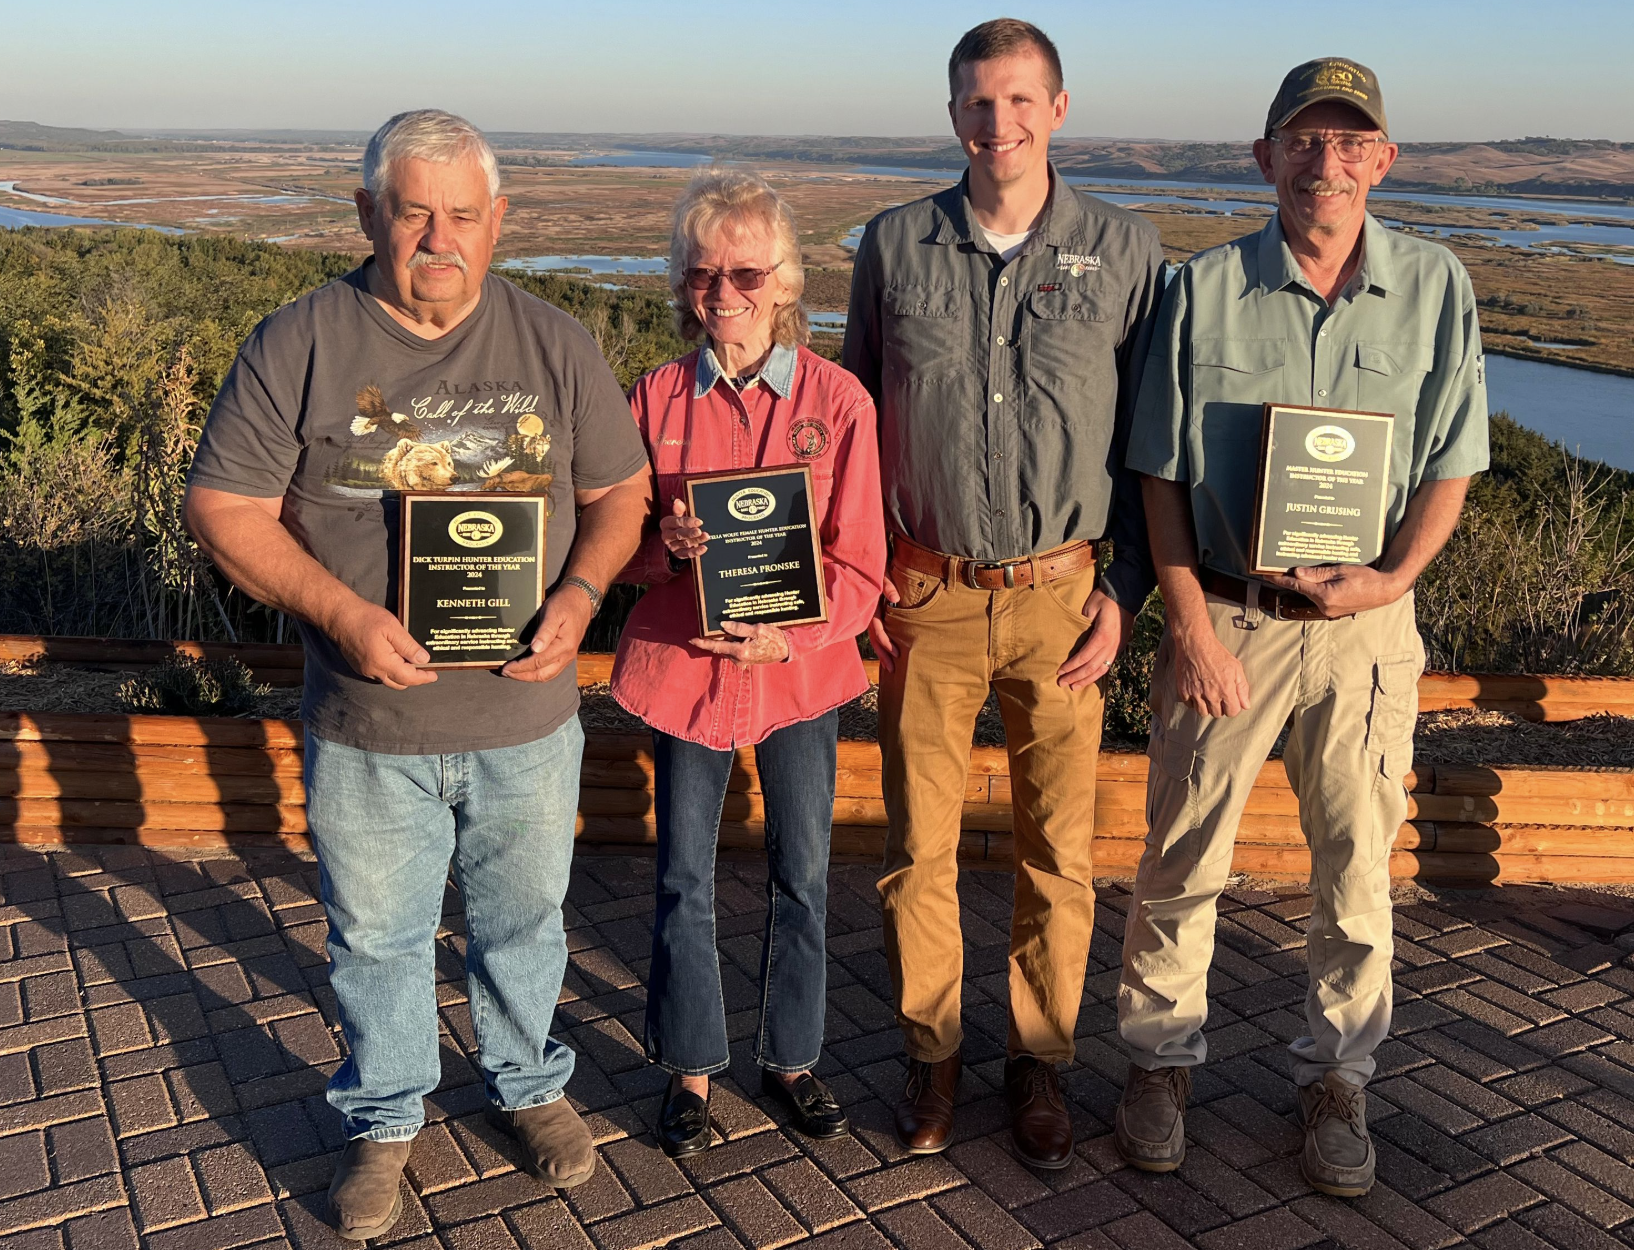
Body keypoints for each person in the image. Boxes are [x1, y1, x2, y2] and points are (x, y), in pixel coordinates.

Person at [183, 109, 651, 1240]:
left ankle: (528, 1086)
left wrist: (582, 597)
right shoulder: (298, 341)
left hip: (525, 715)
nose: (437, 237)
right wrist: (339, 610)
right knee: (377, 936)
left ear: (497, 223)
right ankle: (386, 1115)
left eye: (461, 215)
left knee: (524, 922)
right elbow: (221, 506)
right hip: (364, 724)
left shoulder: (554, 341)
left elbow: (617, 495)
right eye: (412, 211)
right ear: (367, 215)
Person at [1114, 59, 1488, 1198]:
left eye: (1348, 141)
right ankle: (1156, 1060)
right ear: (1264, 156)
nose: (1325, 161)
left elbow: (1450, 465)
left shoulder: (1436, 286)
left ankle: (1338, 1076)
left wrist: (1392, 578)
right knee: (1181, 856)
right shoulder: (1204, 289)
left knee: (1356, 870)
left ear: (1381, 158)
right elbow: (1158, 476)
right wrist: (1186, 624)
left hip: (1368, 635)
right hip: (1230, 616)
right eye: (1302, 140)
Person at [842, 19, 1165, 1169]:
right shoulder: (891, 245)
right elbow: (854, 424)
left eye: (1021, 100)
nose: (1000, 123)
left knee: (1056, 853)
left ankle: (1039, 1057)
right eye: (978, 103)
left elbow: (1148, 444)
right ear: (952, 117)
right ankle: (931, 1051)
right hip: (922, 592)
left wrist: (1126, 586)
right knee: (915, 847)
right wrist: (860, 563)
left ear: (1058, 109)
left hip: (1062, 598)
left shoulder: (1125, 251)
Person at [611, 167, 886, 1158]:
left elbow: (860, 565)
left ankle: (791, 1057)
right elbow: (616, 550)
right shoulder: (651, 398)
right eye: (700, 272)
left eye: (743, 271)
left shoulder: (836, 402)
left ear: (784, 279)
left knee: (801, 874)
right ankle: (689, 1068)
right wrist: (662, 548)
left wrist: (793, 637)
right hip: (683, 673)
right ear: (682, 283)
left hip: (799, 678)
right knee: (683, 876)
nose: (721, 290)